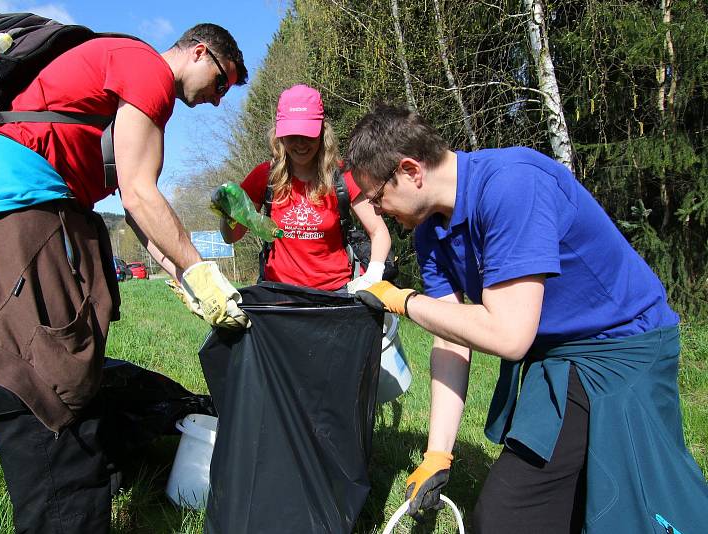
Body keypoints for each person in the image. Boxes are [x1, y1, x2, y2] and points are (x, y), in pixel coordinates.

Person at [0, 24, 248, 533]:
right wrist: (203, 271)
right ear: (199, 52)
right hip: (11, 220)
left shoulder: (122, 68)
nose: (219, 100)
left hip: (8, 215)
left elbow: (139, 216)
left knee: (53, 380)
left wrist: (183, 276)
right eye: (223, 82)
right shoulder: (147, 70)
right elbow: (139, 193)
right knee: (47, 391)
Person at [347, 105, 708, 533]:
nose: (377, 210)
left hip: (623, 348)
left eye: (376, 196)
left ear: (410, 170)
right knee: (510, 518)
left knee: (633, 510)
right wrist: (437, 455)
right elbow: (450, 336)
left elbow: (508, 335)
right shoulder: (429, 231)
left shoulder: (513, 185)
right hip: (556, 355)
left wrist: (402, 301)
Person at [217, 84, 391, 292]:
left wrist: (373, 275)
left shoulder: (343, 177)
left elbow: (379, 231)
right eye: (292, 135)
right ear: (279, 135)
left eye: (308, 135)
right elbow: (231, 237)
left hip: (335, 295)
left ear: (321, 132)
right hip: (279, 295)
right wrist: (229, 211)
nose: (300, 144)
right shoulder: (264, 177)